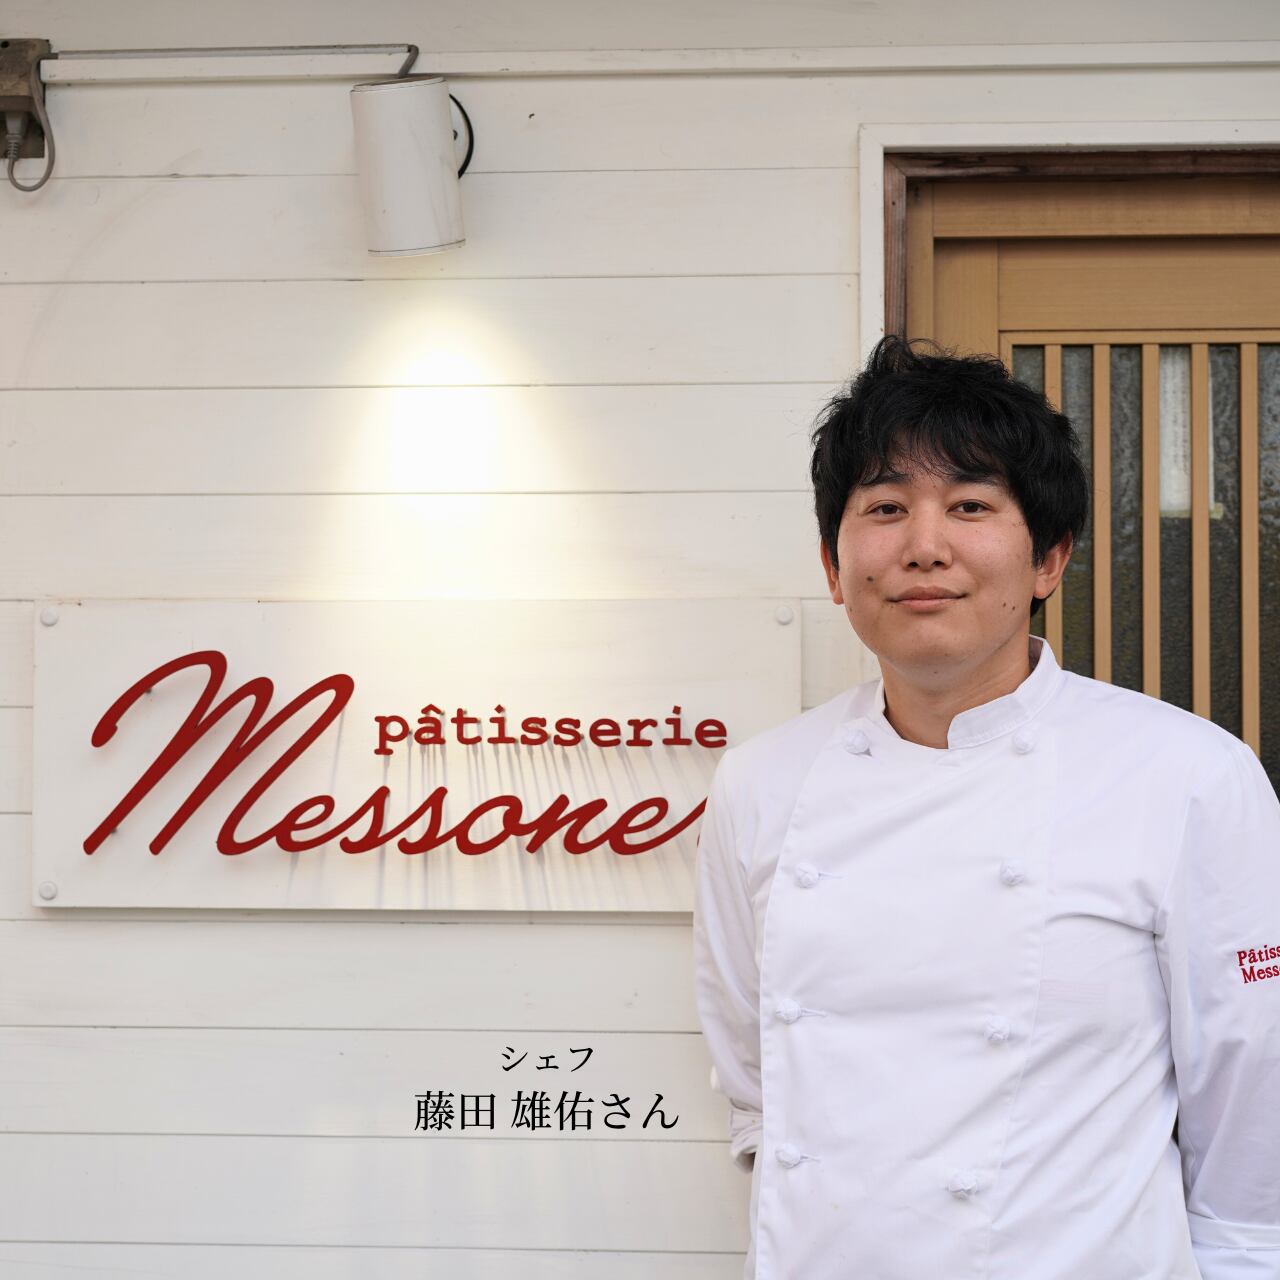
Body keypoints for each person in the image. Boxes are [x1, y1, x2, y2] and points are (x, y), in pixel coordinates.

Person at [691, 335, 1280, 1280]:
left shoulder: (1187, 775)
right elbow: (755, 1086)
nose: (924, 546)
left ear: (1049, 559)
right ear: (834, 567)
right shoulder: (761, 783)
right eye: (885, 508)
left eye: (970, 506)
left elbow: (1252, 1097)